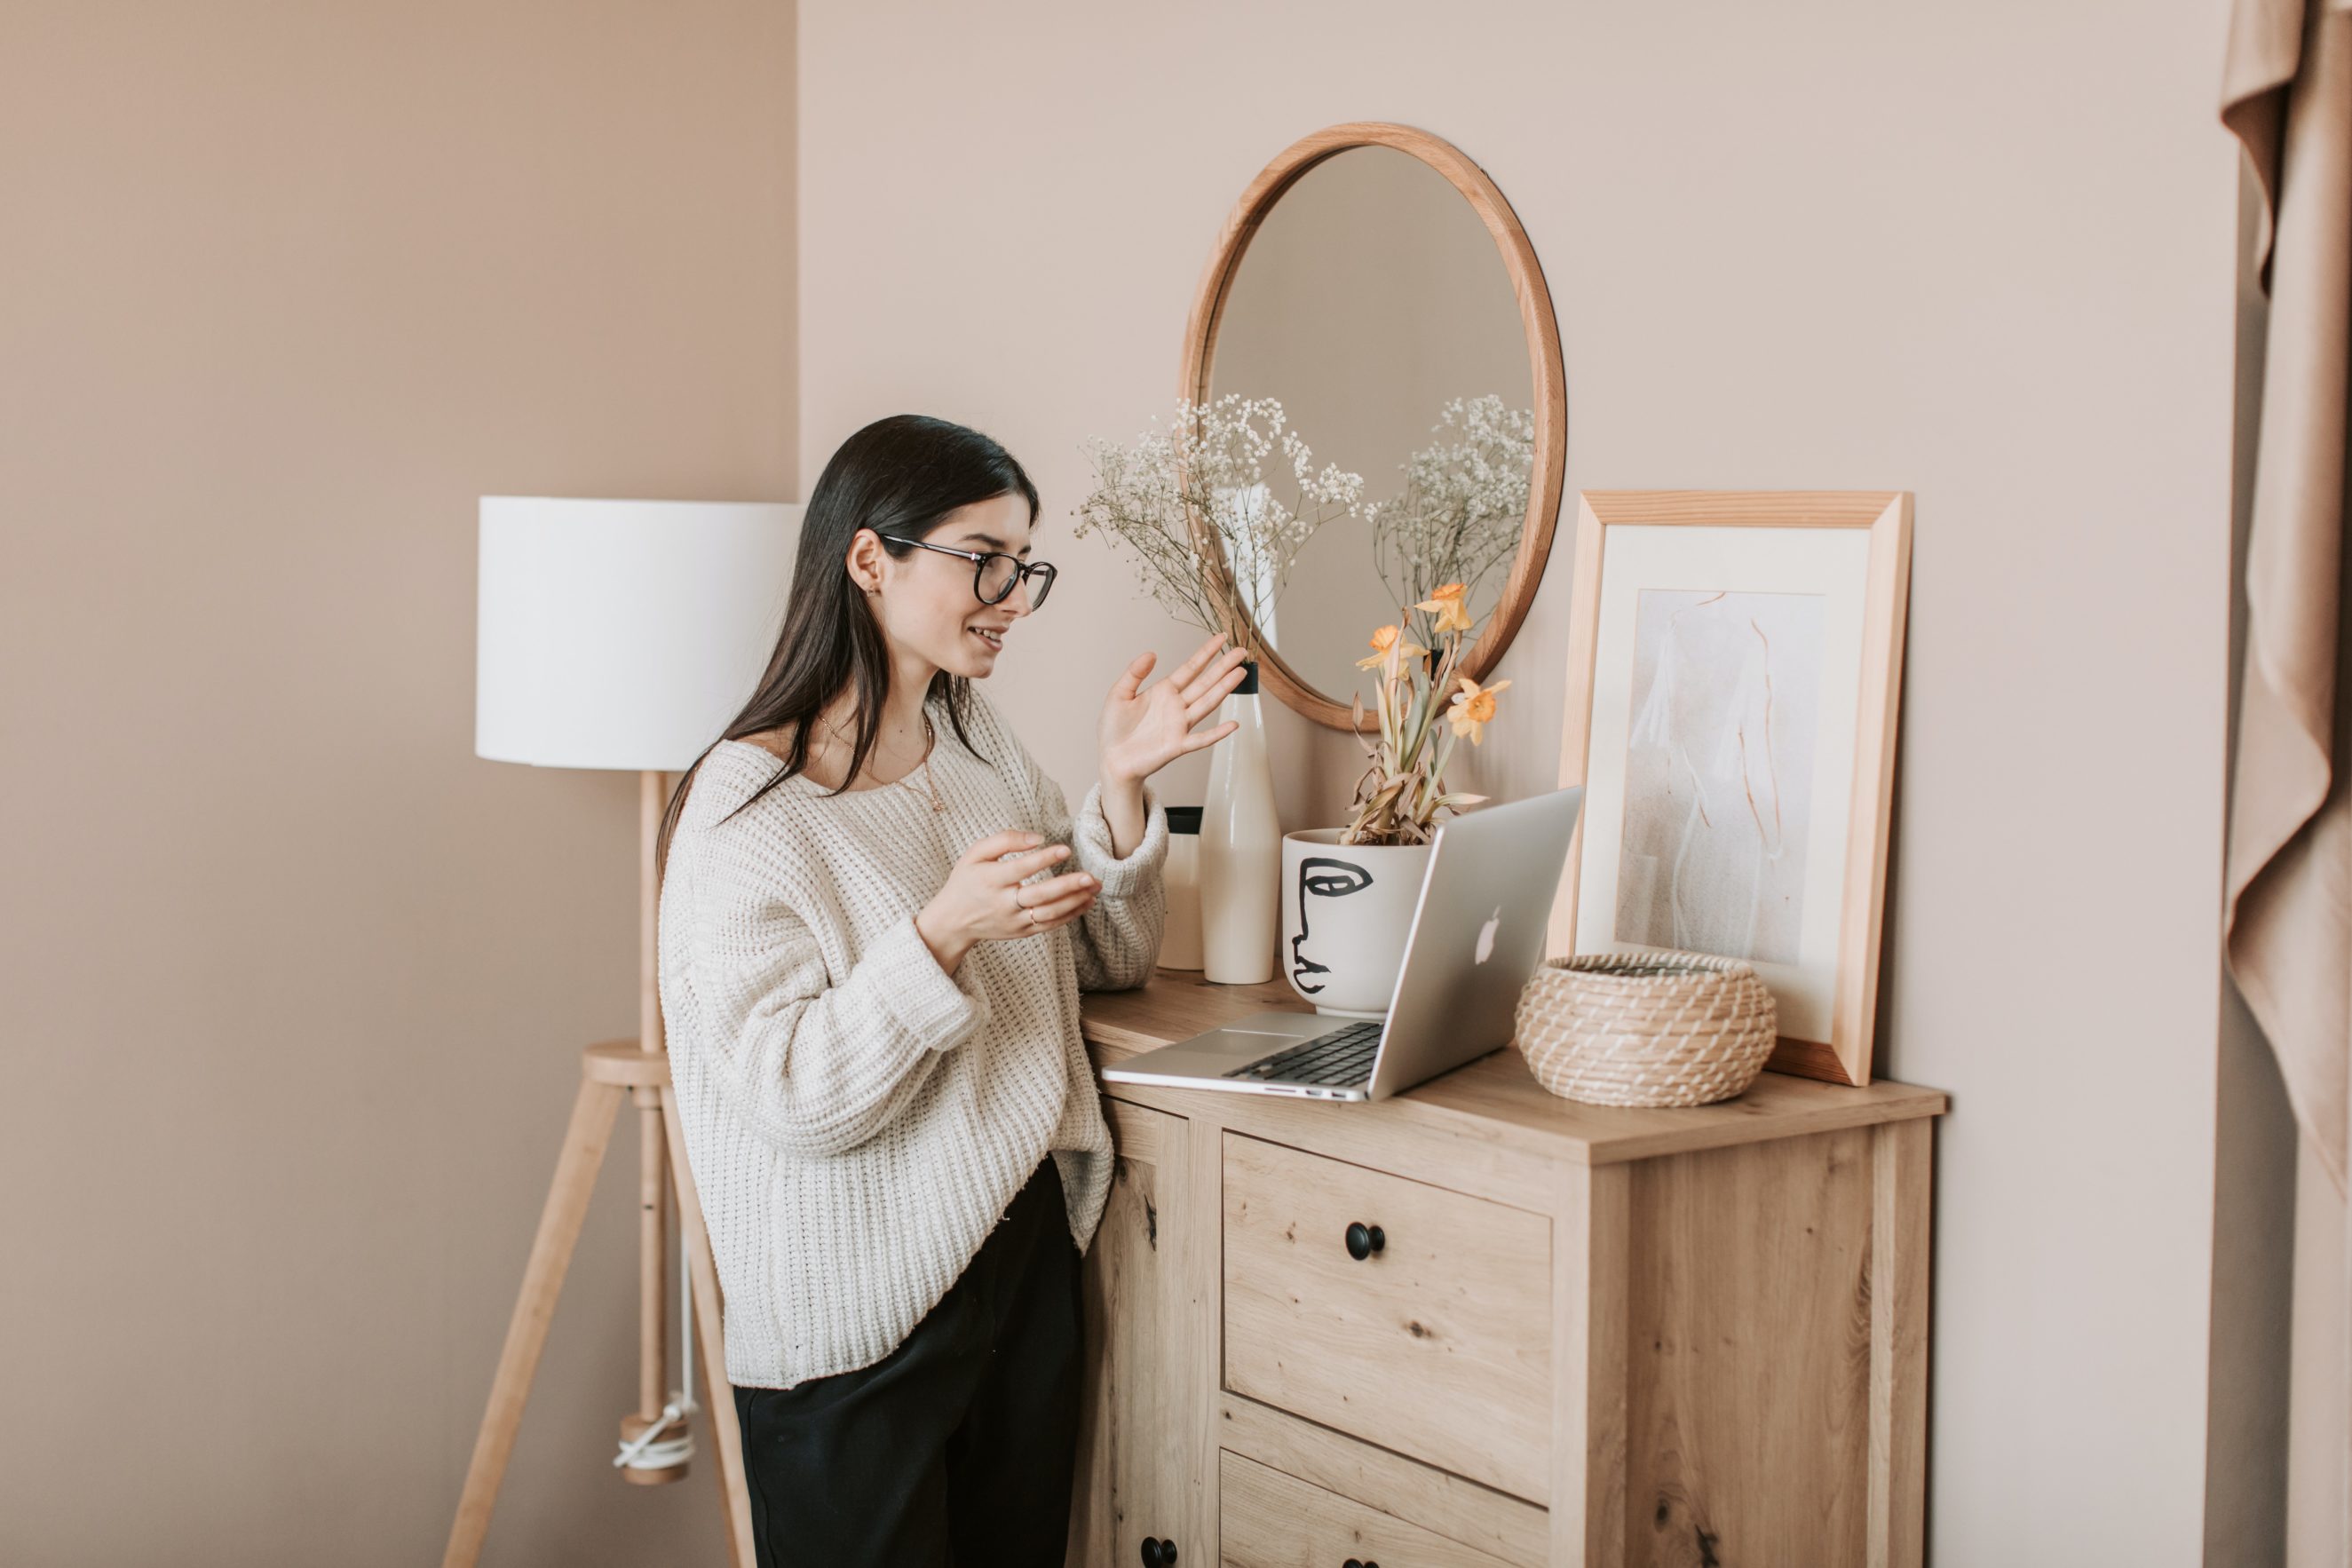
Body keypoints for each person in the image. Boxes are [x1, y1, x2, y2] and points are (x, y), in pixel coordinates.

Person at [653, 412, 1248, 1566]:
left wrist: (1120, 786)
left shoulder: (971, 742)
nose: (1011, 595)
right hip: (859, 1319)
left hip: (1018, 1272)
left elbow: (1098, 956)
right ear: (869, 559)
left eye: (1022, 564)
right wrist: (937, 937)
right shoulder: (746, 810)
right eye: (982, 558)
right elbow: (794, 1096)